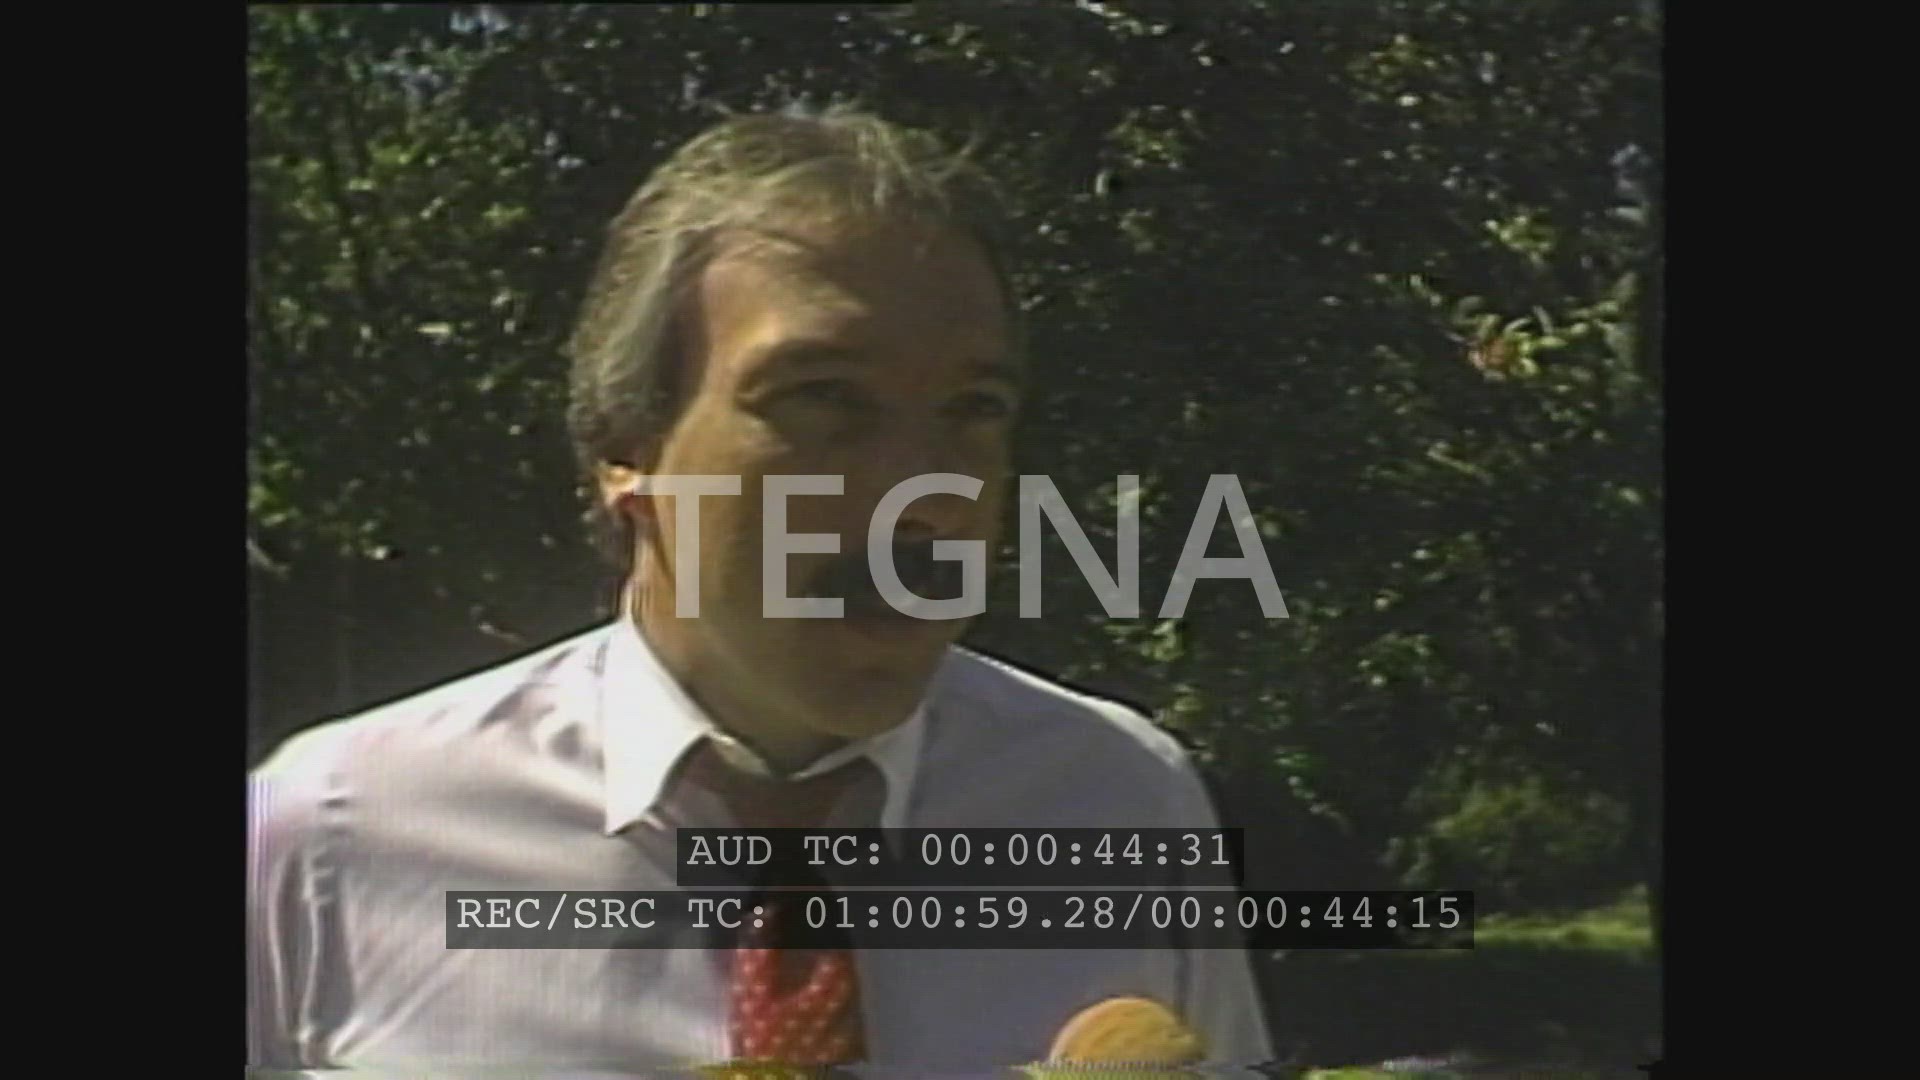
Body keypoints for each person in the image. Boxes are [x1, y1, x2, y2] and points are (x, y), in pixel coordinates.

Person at [247, 105, 1275, 1073]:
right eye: (824, 401)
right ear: (627, 445)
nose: (919, 495)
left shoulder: (1124, 803)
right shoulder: (328, 840)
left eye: (971, 410)